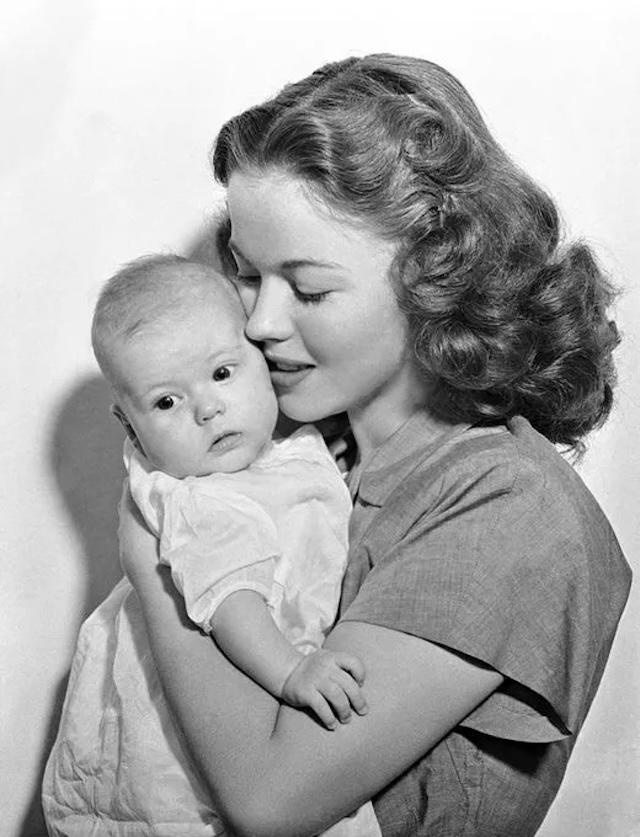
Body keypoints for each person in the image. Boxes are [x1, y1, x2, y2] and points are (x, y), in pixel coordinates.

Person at [118, 54, 630, 837]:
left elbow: (270, 799)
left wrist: (154, 540)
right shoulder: (302, 453)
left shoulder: (513, 506)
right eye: (248, 275)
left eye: (309, 288)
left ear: (434, 278)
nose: (259, 321)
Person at [42, 256, 382, 837]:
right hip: (206, 737)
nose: (207, 408)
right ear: (130, 426)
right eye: (167, 402)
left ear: (261, 362)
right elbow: (232, 606)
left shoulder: (273, 455)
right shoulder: (201, 502)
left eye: (222, 373)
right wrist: (291, 673)